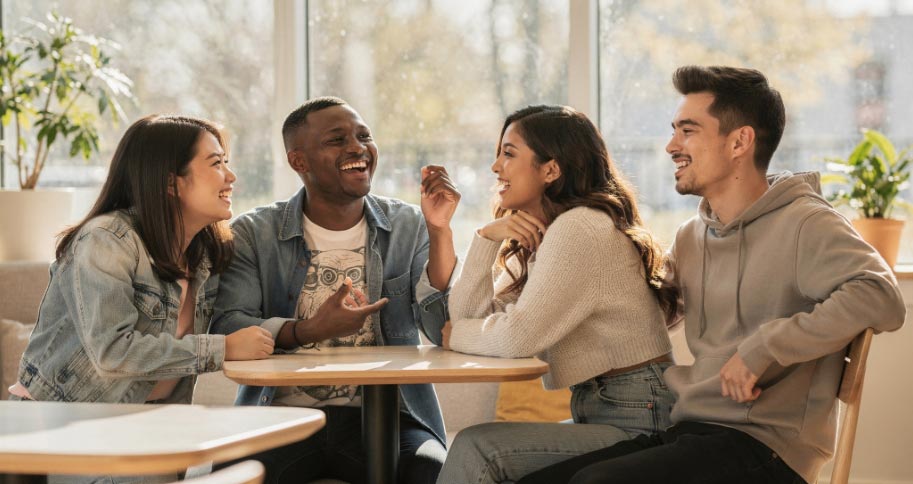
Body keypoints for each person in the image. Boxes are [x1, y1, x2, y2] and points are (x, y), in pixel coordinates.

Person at [516, 66, 907, 484]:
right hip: (691, 430)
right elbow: (648, 310)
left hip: (769, 448)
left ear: (739, 141)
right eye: (674, 131)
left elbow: (881, 295)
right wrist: (552, 242)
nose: (671, 146)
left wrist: (763, 349)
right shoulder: (693, 235)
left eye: (688, 131)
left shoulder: (805, 223)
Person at [10, 114, 275, 483]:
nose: (231, 176)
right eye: (216, 163)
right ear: (170, 182)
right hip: (64, 428)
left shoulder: (205, 254)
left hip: (147, 427)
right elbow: (112, 352)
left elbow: (239, 320)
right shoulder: (106, 240)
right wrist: (222, 349)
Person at [211, 96, 460, 484]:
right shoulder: (253, 233)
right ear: (299, 161)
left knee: (433, 471)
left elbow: (442, 328)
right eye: (337, 139)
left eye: (364, 136)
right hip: (278, 416)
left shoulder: (409, 224)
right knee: (231, 476)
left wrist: (440, 231)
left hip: (389, 417)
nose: (358, 148)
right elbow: (229, 326)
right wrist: (309, 330)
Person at [435, 105, 677, 484]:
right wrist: (484, 239)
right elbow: (469, 316)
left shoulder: (579, 228)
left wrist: (456, 336)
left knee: (477, 447)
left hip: (640, 419)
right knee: (479, 447)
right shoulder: (555, 233)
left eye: (509, 153)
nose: (496, 167)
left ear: (550, 170)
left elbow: (516, 337)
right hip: (614, 408)